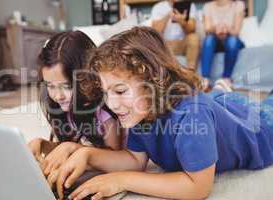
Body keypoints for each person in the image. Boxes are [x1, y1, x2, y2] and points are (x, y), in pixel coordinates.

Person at [50, 27, 273, 200]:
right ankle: (219, 94)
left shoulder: (191, 116)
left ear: (153, 82)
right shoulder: (139, 111)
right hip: (220, 105)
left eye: (119, 90)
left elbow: (199, 186)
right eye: (106, 92)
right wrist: (86, 154)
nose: (112, 104)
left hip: (261, 125)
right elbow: (135, 160)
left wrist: (122, 180)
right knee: (215, 102)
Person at [28, 31, 122, 183]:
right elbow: (73, 146)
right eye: (51, 86)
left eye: (67, 86)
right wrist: (45, 146)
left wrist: (74, 149)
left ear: (87, 77)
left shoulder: (105, 113)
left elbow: (115, 158)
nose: (58, 96)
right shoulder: (66, 108)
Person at [201, 0, 245, 89]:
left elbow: (236, 31)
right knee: (208, 39)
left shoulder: (238, 5)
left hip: (231, 39)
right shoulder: (207, 6)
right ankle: (204, 79)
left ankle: (226, 79)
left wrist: (226, 28)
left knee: (232, 41)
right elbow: (207, 29)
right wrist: (216, 28)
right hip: (215, 40)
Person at [151, 0, 200, 70]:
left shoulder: (190, 6)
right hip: (165, 45)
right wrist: (168, 15)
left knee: (194, 37)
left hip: (182, 43)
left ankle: (191, 74)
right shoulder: (158, 7)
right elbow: (154, 31)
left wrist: (182, 21)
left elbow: (192, 29)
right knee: (154, 42)